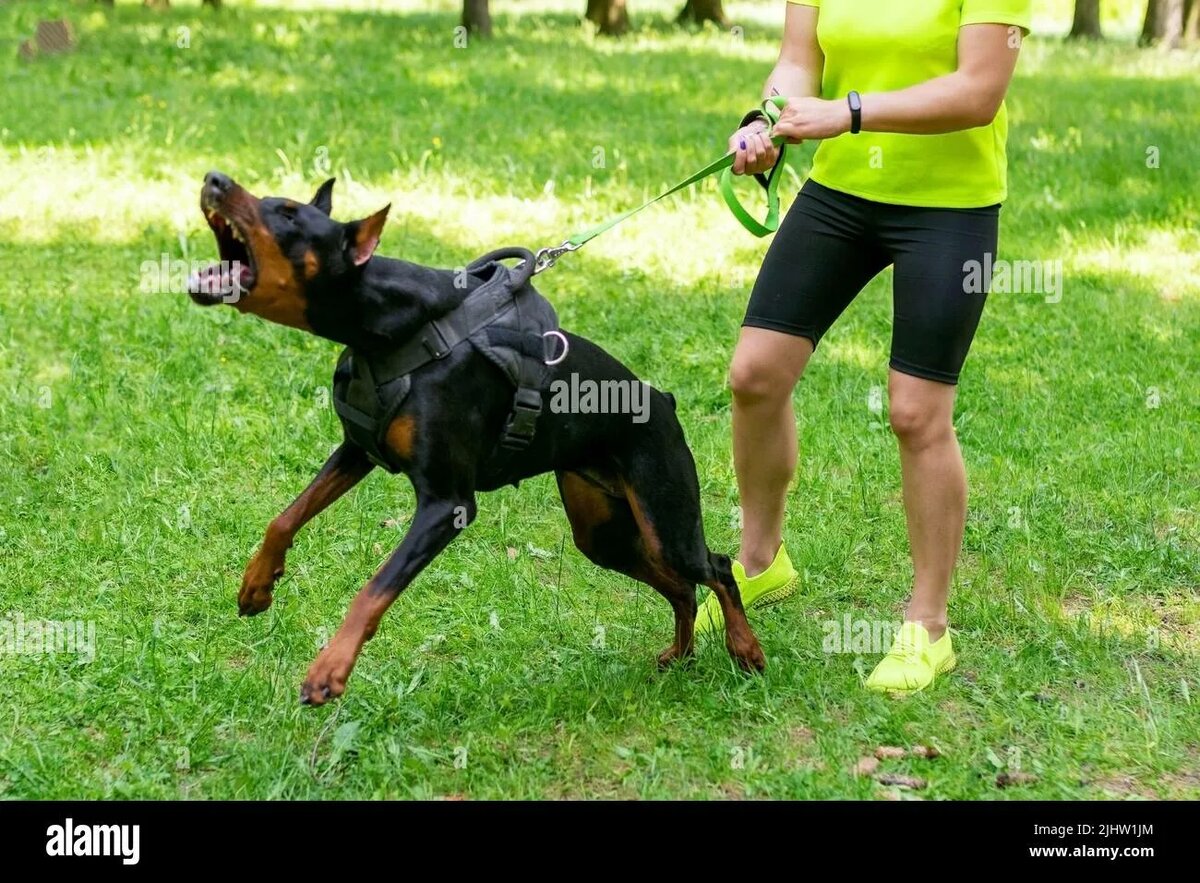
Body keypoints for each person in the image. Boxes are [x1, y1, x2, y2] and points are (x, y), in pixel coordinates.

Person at [695, 0, 1032, 693]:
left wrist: (848, 113)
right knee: (755, 374)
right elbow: (799, 60)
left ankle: (928, 627)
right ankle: (761, 562)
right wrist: (765, 121)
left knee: (916, 412)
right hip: (842, 193)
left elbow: (978, 91)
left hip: (951, 206)